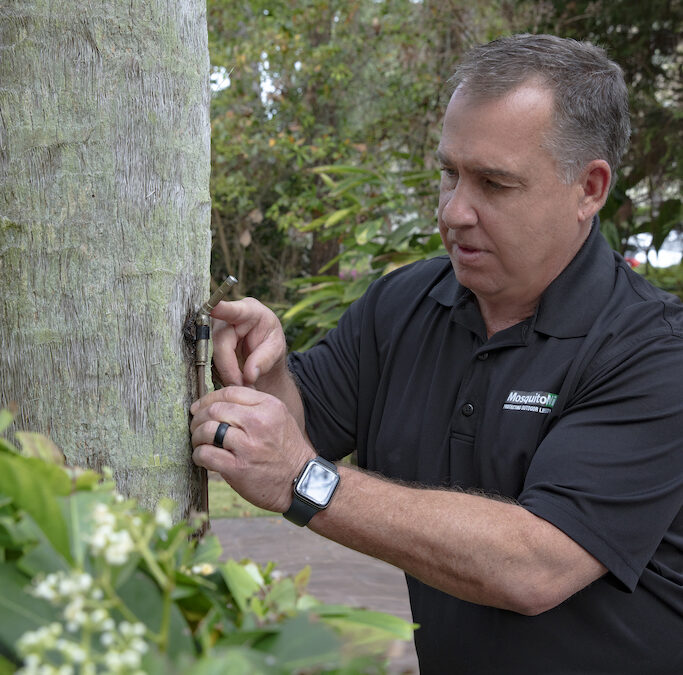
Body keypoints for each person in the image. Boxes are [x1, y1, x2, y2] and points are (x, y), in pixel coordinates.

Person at [190, 34, 683, 674]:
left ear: (588, 189)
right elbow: (298, 430)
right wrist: (269, 368)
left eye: (494, 184)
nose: (453, 211)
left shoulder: (654, 352)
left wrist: (302, 482)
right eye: (449, 172)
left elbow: (535, 565)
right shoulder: (404, 303)